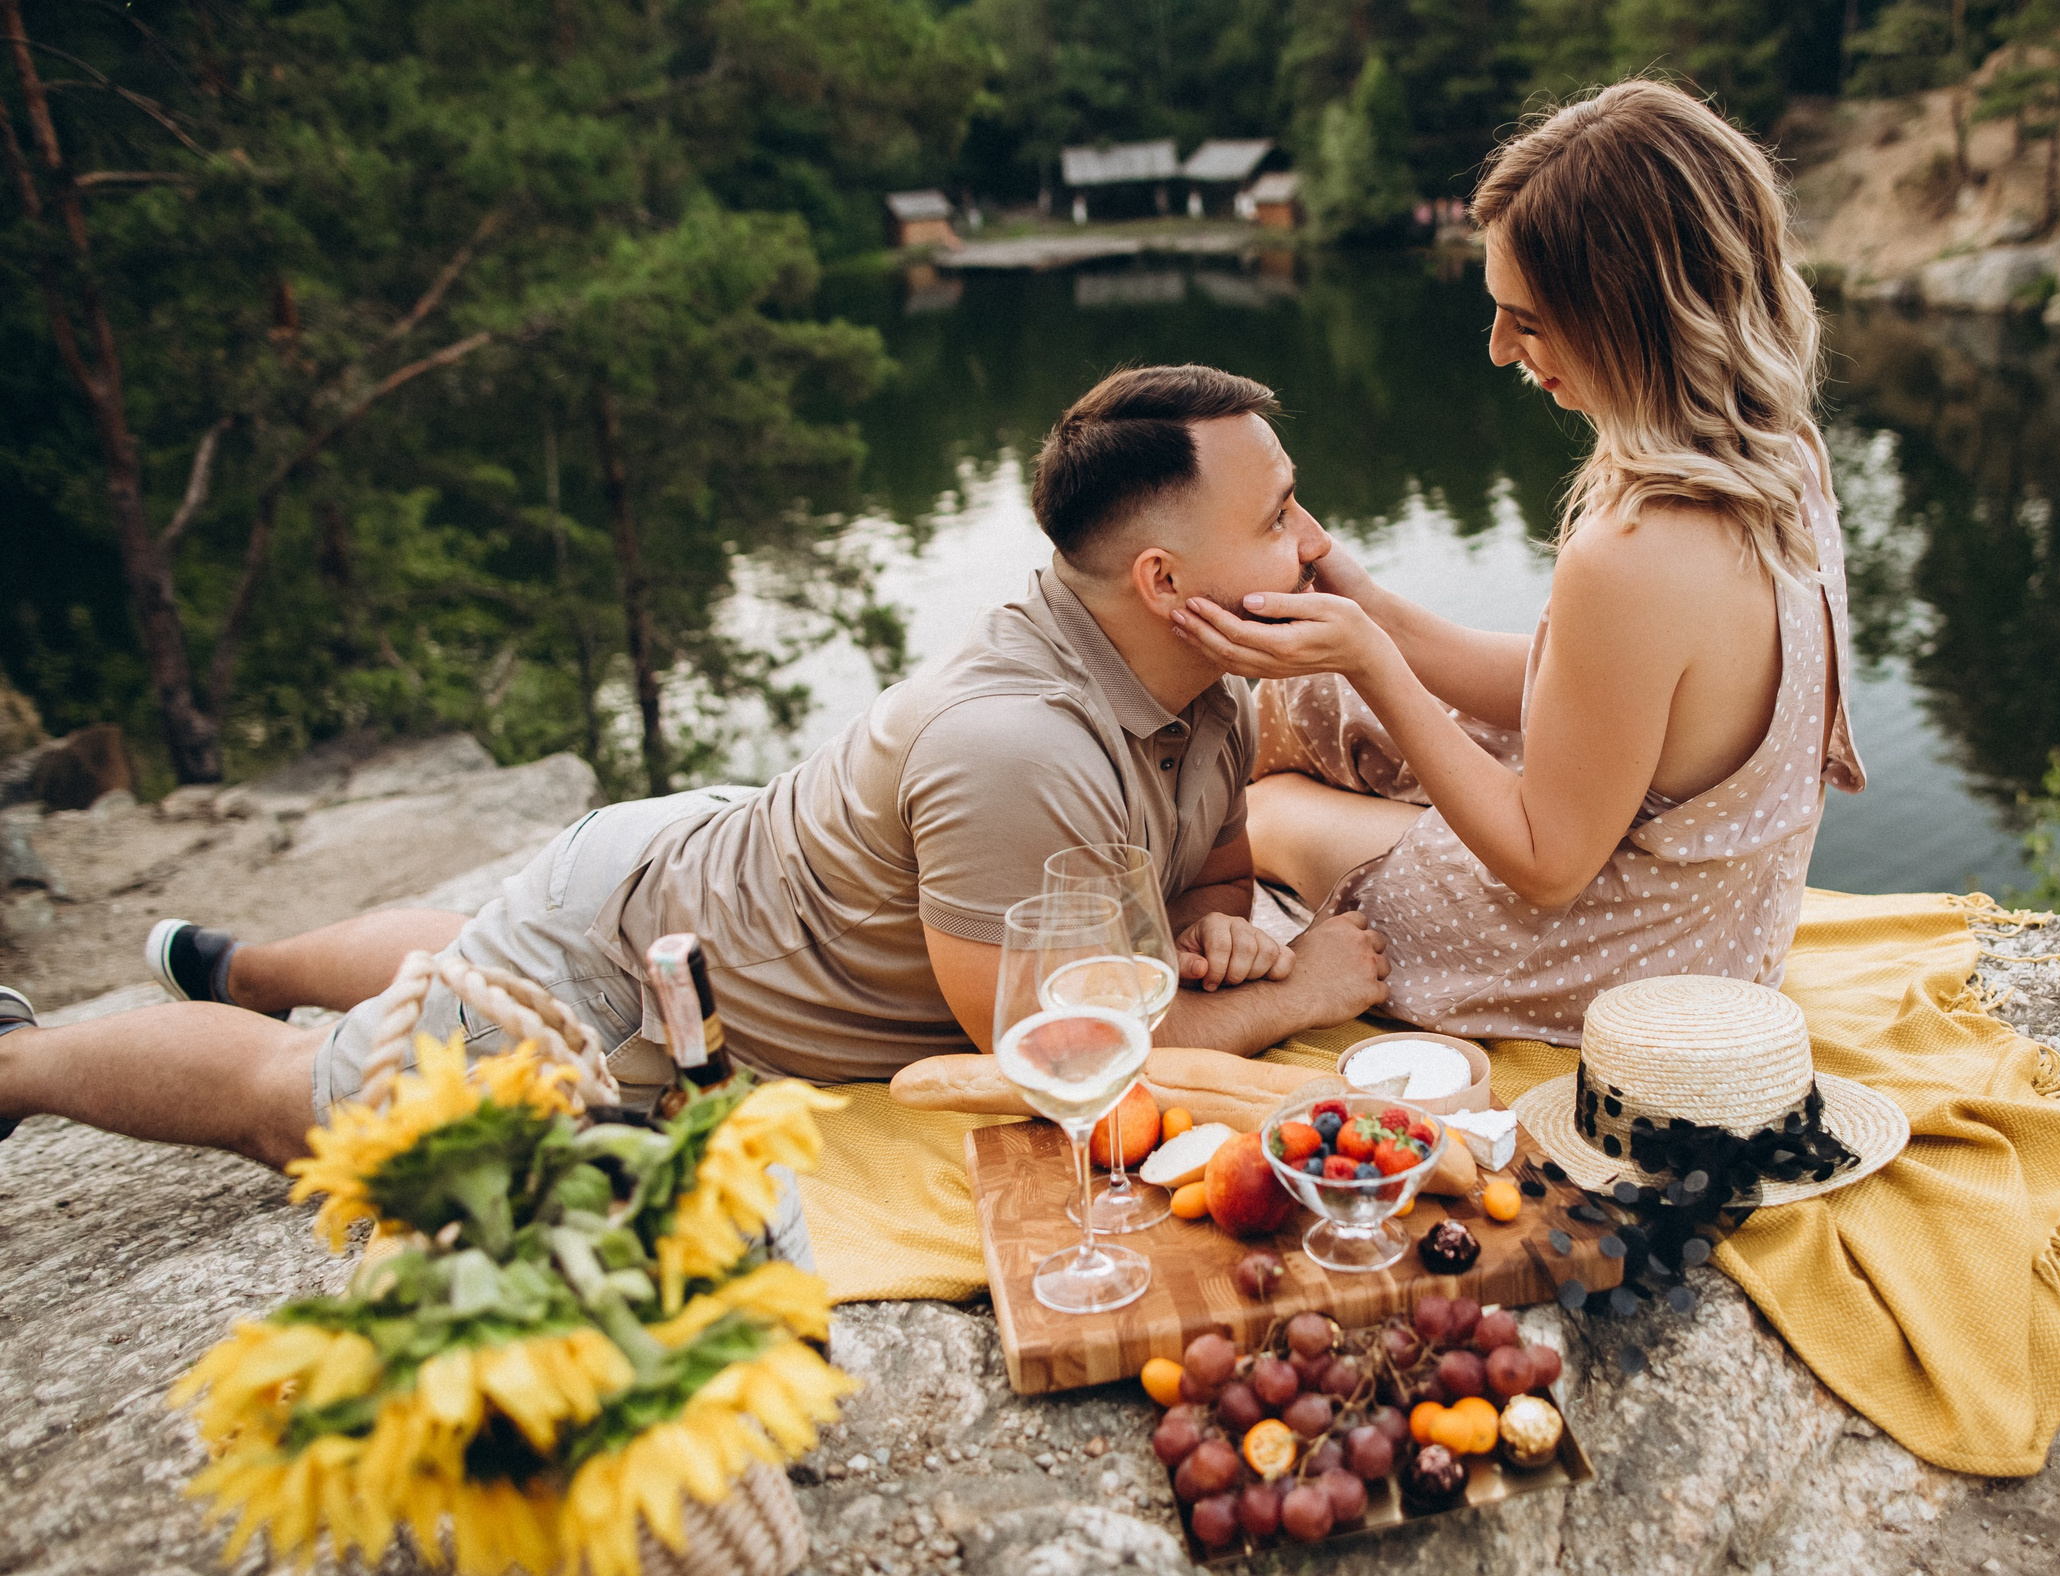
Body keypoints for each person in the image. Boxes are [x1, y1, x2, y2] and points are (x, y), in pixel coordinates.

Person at [0, 365, 1390, 1164]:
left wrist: (1217, 936)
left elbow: (1207, 861)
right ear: (1163, 574)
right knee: (302, 1111)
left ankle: (243, 962)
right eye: (1279, 517)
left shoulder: (1205, 677)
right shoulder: (1020, 746)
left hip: (676, 882)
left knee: (493, 940)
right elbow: (1045, 1061)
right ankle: (26, 1054)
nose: (1316, 543)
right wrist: (1312, 979)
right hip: (624, 979)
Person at [1170, 81, 1866, 1044]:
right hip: (1725, 917)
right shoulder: (1782, 456)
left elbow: (1548, 860)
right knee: (1297, 703)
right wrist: (1367, 609)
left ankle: (1184, 962)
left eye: (1527, 319)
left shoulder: (1634, 557)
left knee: (1271, 805)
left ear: (1633, 316)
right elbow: (1594, 694)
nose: (1499, 349)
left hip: (1633, 954)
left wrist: (1371, 657)